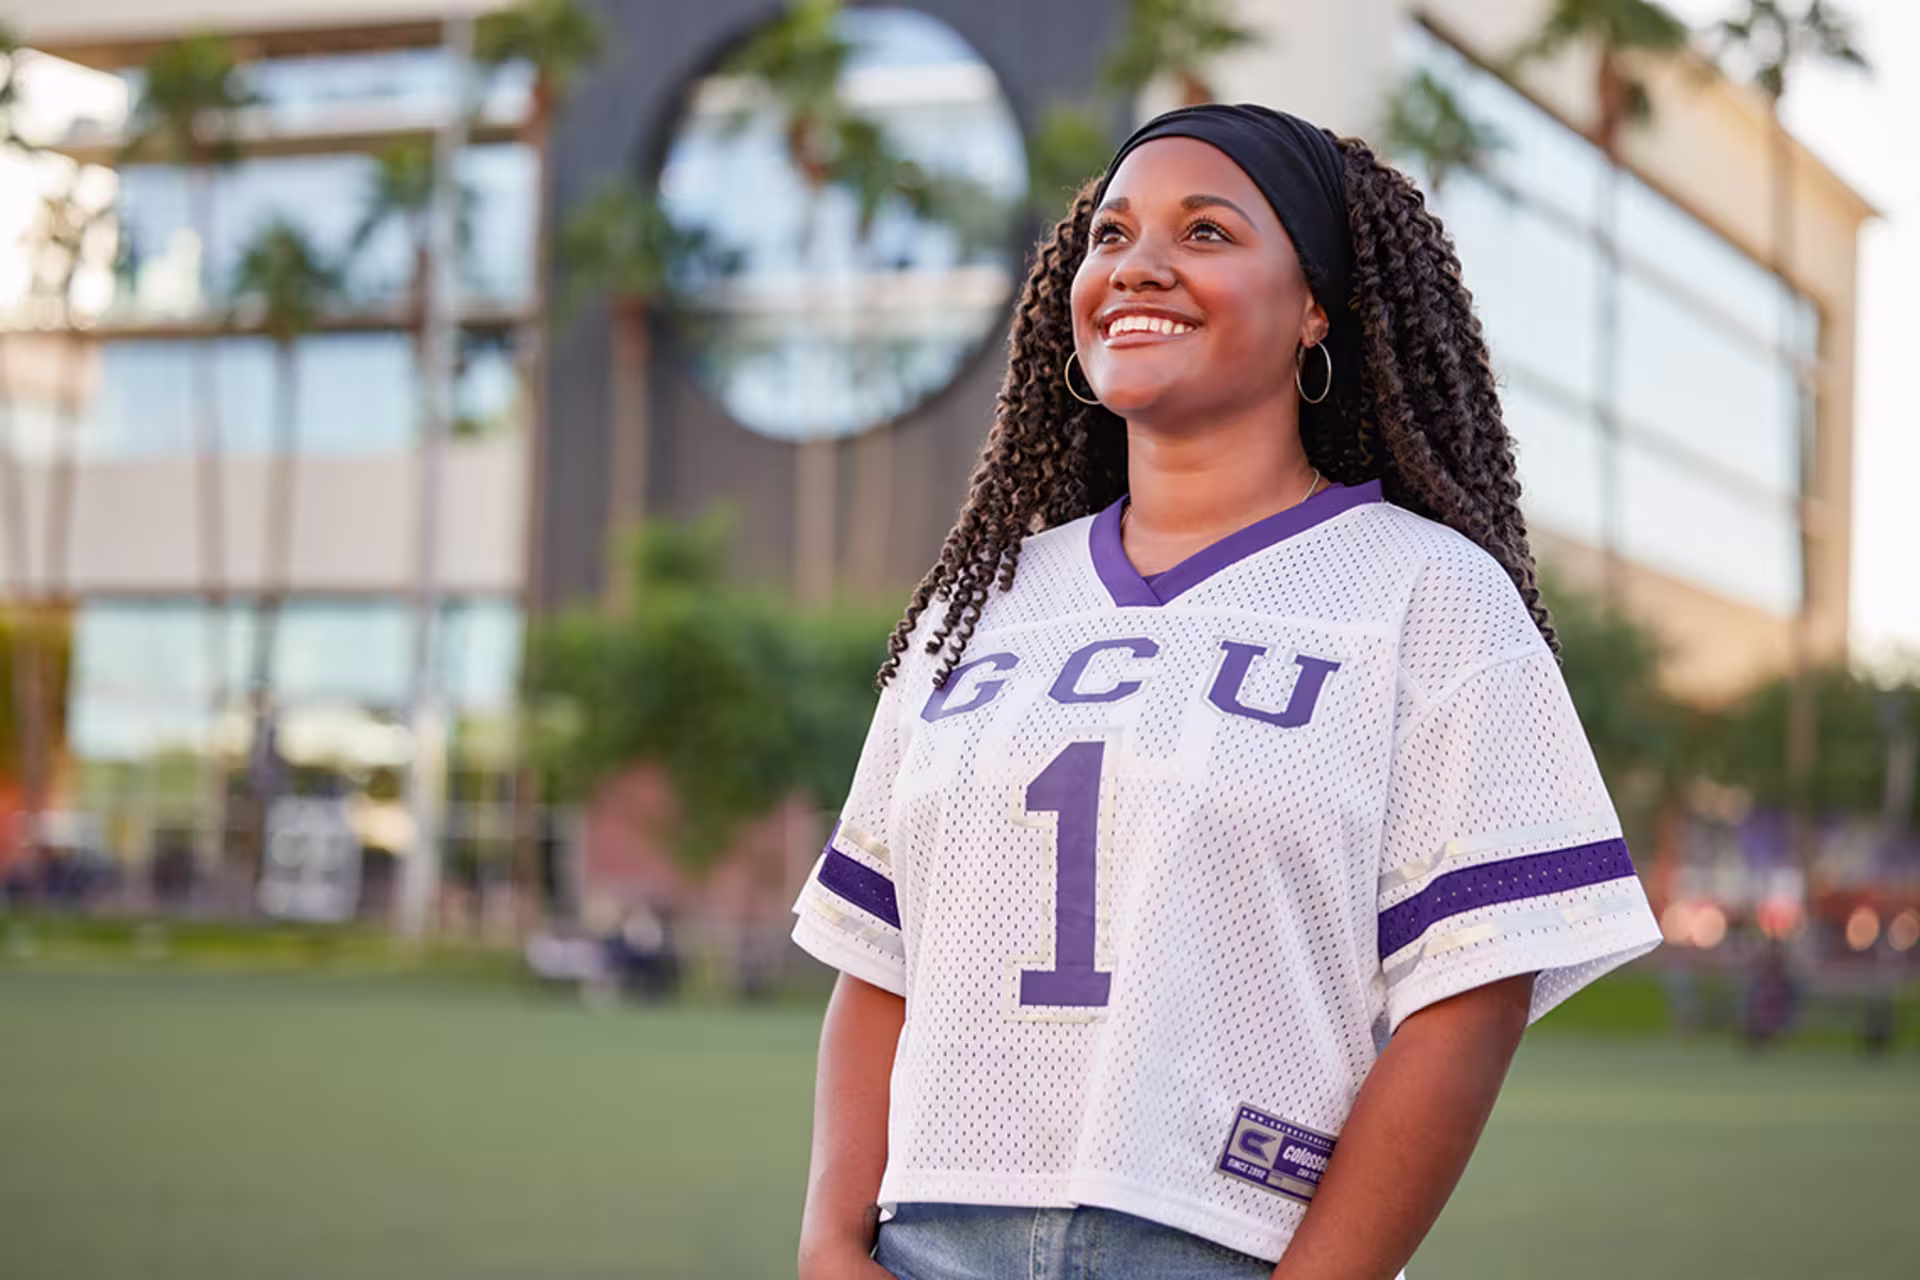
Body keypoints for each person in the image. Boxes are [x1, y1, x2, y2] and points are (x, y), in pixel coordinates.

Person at [791, 104, 1663, 1280]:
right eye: (1112, 234)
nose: (1137, 264)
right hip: (930, 1240)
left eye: (1206, 232)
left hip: (1226, 1244)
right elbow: (880, 954)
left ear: (1316, 305)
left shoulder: (1428, 592)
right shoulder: (980, 599)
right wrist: (828, 1244)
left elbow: (1473, 993)